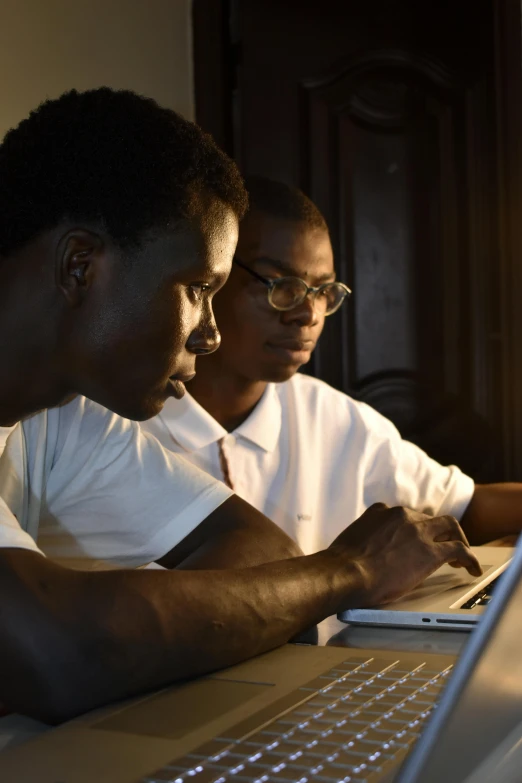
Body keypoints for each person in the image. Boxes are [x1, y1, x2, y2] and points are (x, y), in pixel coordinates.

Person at [0, 89, 480, 726]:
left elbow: (265, 555)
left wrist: (105, 628)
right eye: (198, 288)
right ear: (81, 266)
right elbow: (57, 655)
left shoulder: (63, 413)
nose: (210, 332)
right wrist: (350, 571)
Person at [142, 176, 522, 553]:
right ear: (209, 276)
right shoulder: (124, 424)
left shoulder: (338, 421)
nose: (308, 314)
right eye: (279, 284)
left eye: (323, 292)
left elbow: (468, 507)